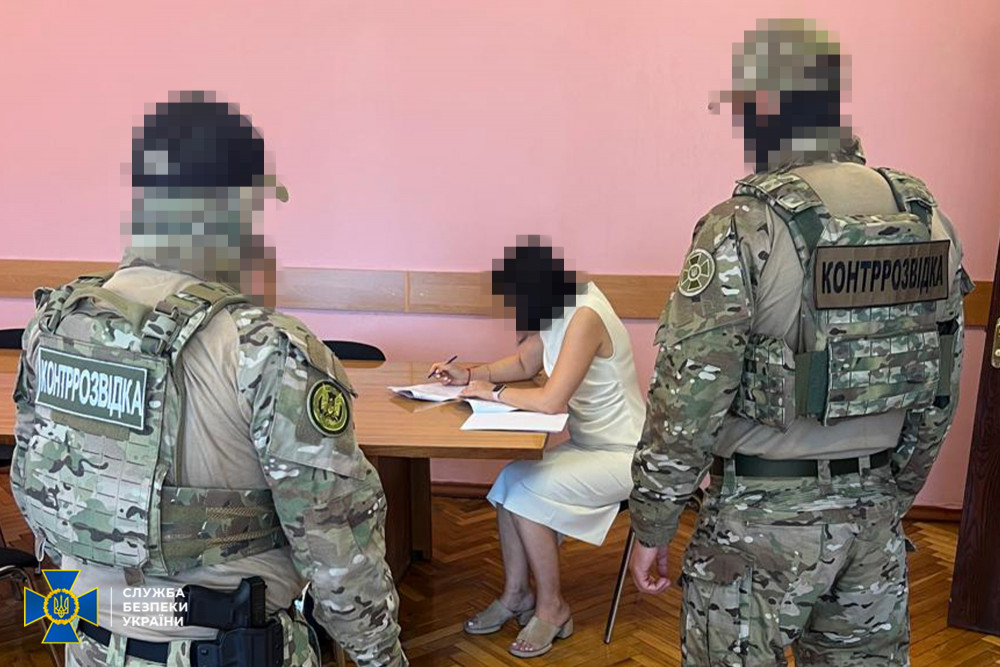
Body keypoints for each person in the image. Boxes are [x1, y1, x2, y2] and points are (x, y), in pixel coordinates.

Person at [11, 91, 406, 667]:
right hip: (223, 648)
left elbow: (39, 492)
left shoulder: (53, 325)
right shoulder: (265, 349)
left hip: (85, 639)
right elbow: (337, 552)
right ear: (233, 208)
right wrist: (382, 656)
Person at [629, 19, 973, 666]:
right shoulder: (928, 220)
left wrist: (653, 520)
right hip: (872, 520)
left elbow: (690, 396)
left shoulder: (744, 225)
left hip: (756, 525)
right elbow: (940, 388)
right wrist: (890, 493)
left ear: (767, 107)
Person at [430, 235, 646, 659]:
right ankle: (516, 595)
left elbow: (551, 400)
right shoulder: (562, 305)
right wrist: (469, 374)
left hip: (627, 454)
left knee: (526, 494)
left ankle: (553, 607)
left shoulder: (585, 315)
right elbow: (526, 362)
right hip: (592, 446)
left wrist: (491, 393)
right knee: (509, 483)